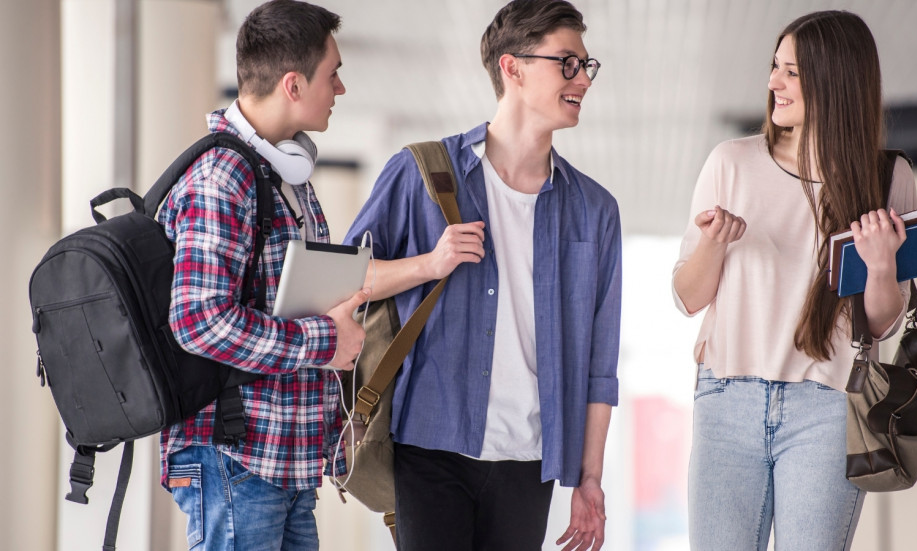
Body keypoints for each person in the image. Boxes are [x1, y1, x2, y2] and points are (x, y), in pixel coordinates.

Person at [344, 1, 621, 549]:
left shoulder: (595, 210)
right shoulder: (421, 173)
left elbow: (599, 364)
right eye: (566, 62)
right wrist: (431, 263)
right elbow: (347, 282)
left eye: (586, 66)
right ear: (511, 67)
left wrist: (590, 478)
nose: (582, 79)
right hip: (429, 446)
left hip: (529, 458)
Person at [672, 10, 916, 550]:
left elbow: (879, 325)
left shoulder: (887, 177)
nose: (772, 83)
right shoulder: (730, 162)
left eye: (791, 73)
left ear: (835, 82)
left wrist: (880, 265)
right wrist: (714, 243)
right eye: (774, 67)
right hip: (726, 400)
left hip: (828, 409)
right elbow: (688, 298)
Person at [157, 1, 368, 549]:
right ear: (294, 84)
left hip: (283, 459)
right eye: (333, 73)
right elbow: (200, 321)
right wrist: (326, 340)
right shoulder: (222, 178)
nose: (340, 88)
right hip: (234, 458)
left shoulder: (284, 176)